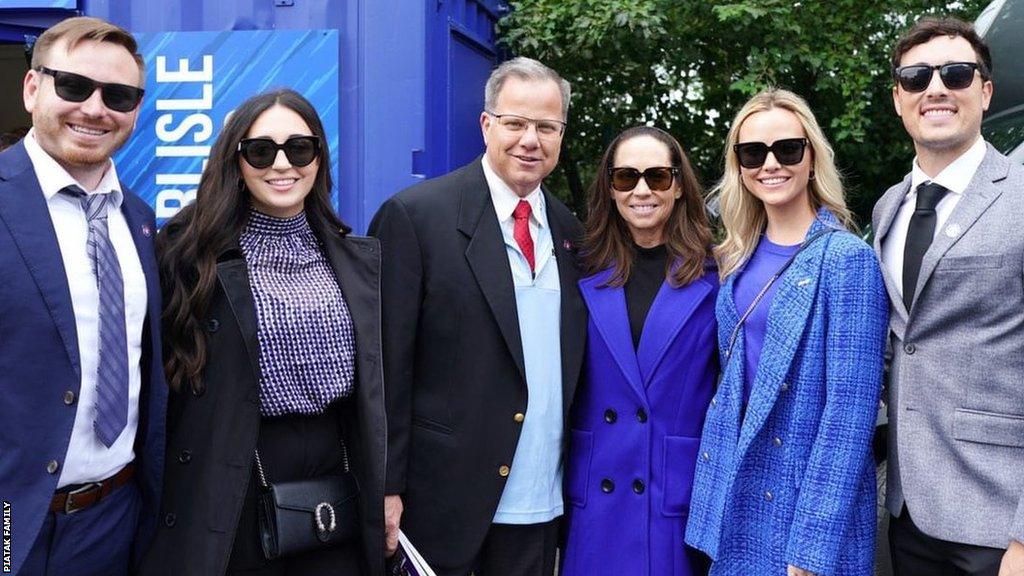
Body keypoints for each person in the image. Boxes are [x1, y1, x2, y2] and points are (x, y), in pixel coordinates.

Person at [138, 88, 386, 575]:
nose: (281, 164)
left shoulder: (357, 257)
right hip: (231, 472)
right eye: (260, 150)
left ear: (318, 157)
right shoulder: (189, 255)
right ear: (236, 160)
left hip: (337, 469)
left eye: (299, 148)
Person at [368, 56, 586, 576]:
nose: (529, 139)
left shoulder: (572, 230)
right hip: (441, 504)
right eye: (514, 123)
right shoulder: (417, 217)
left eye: (546, 126)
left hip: (541, 504)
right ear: (486, 124)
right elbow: (385, 365)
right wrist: (384, 487)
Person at [685, 88, 889, 575]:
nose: (770, 164)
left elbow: (849, 418)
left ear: (812, 157)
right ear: (738, 165)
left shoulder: (846, 260)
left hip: (804, 507)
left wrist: (810, 554)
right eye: (753, 152)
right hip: (739, 495)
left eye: (787, 149)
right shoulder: (735, 259)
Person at [0, 16, 165, 576]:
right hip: (8, 521)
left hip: (114, 522)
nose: (95, 109)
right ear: (32, 88)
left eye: (118, 95)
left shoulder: (141, 223)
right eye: (74, 86)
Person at [873, 17, 1024, 576]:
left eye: (956, 73)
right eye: (916, 77)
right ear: (899, 98)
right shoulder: (888, 207)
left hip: (999, 522)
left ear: (984, 91)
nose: (935, 88)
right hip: (908, 517)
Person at [560, 126, 717, 576]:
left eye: (658, 177)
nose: (642, 190)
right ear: (610, 188)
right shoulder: (579, 271)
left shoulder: (718, 276)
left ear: (680, 186)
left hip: (671, 495)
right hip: (596, 493)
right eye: (627, 178)